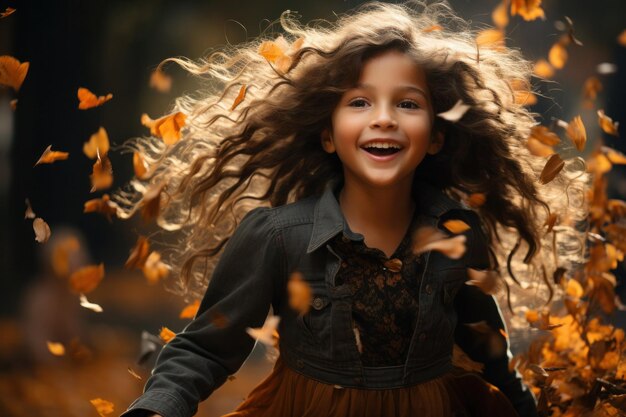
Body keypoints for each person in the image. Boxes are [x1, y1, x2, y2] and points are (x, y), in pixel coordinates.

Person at [120, 2, 586, 416]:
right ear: (328, 133)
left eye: (407, 103)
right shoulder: (278, 237)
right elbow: (206, 348)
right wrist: (156, 409)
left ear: (437, 135)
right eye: (360, 102)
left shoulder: (458, 233)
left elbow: (489, 353)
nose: (383, 117)